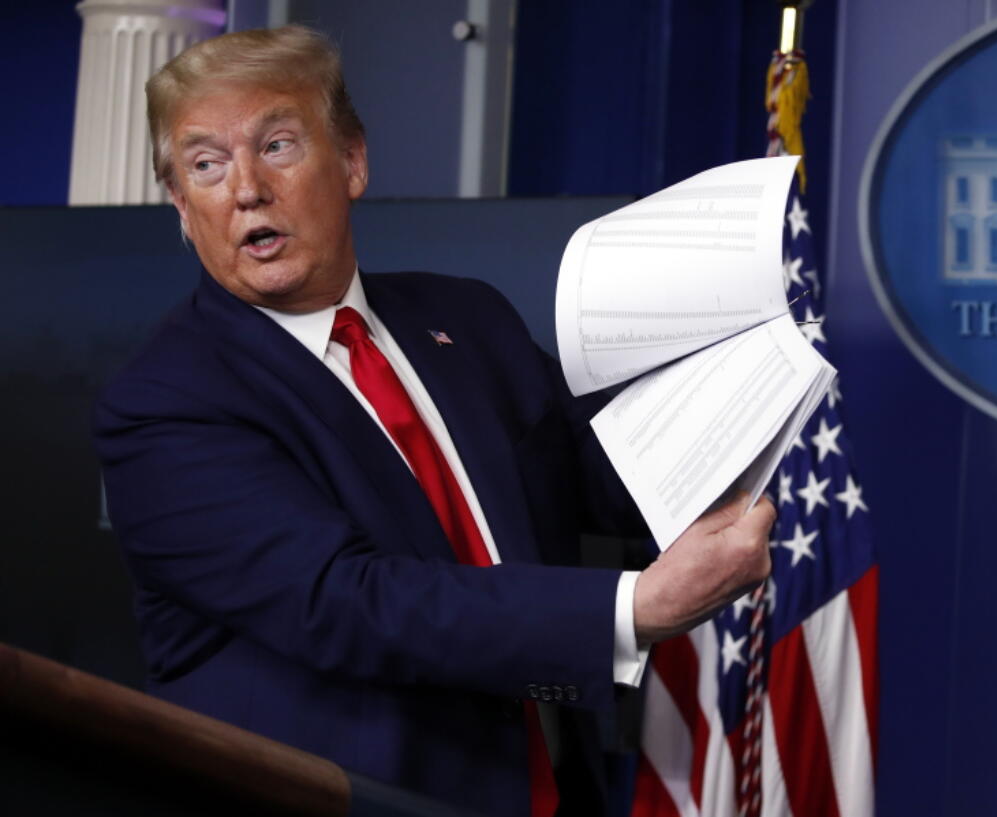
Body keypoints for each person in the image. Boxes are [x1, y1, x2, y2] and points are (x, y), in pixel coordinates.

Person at [93, 25, 773, 817]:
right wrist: (634, 610)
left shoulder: (464, 316)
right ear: (181, 205)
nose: (246, 188)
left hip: (553, 787)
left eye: (277, 144)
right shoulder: (164, 403)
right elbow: (348, 601)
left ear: (353, 160)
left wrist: (750, 392)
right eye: (205, 164)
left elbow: (606, 476)